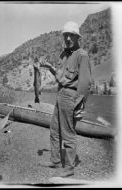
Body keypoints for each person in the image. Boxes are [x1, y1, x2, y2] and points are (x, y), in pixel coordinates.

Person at [39, 21, 92, 177]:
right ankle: (55, 161)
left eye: (71, 35)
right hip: (60, 93)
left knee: (68, 133)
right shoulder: (65, 54)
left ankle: (69, 168)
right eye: (66, 35)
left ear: (77, 37)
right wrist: (49, 67)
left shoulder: (82, 55)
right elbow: (61, 78)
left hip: (70, 97)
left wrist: (79, 106)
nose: (68, 38)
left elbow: (85, 84)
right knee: (54, 130)